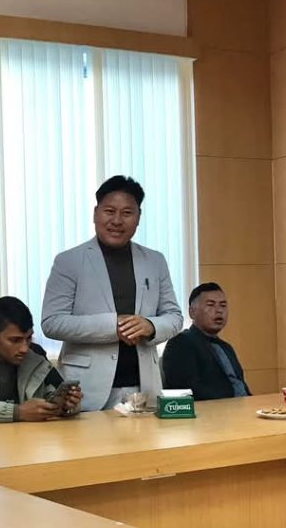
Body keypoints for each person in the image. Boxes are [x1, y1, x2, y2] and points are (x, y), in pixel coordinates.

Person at [41, 175, 183, 410]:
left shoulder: (155, 261)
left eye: (127, 213)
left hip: (144, 387)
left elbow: (175, 317)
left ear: (138, 217)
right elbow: (52, 322)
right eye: (109, 211)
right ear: (95, 213)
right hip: (85, 391)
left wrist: (150, 325)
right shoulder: (68, 261)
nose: (117, 220)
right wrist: (112, 326)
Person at [161, 282, 251, 400]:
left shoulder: (226, 347)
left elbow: (240, 386)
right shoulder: (180, 344)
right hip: (214, 409)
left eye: (223, 305)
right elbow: (187, 390)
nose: (219, 310)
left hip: (243, 406)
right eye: (211, 305)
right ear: (192, 312)